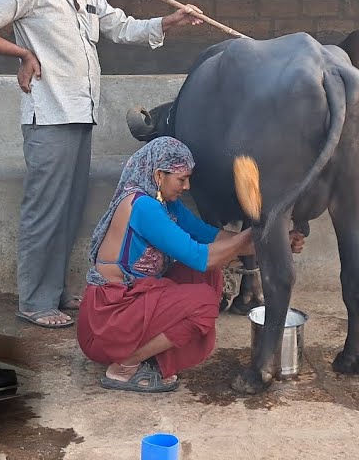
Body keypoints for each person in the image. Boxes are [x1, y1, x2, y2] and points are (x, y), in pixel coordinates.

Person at [0, 0, 204, 329]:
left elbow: (122, 27)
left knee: (69, 211)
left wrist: (170, 21)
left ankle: (53, 291)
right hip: (49, 117)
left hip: (79, 115)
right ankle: (34, 301)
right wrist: (23, 54)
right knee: (45, 212)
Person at [77, 137, 278, 392]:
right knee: (204, 303)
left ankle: (149, 354)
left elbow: (209, 236)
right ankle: (125, 365)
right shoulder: (143, 206)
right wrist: (251, 236)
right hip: (107, 322)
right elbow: (200, 256)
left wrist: (272, 240)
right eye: (181, 179)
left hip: (133, 306)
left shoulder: (166, 205)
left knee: (206, 276)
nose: (187, 186)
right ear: (159, 175)